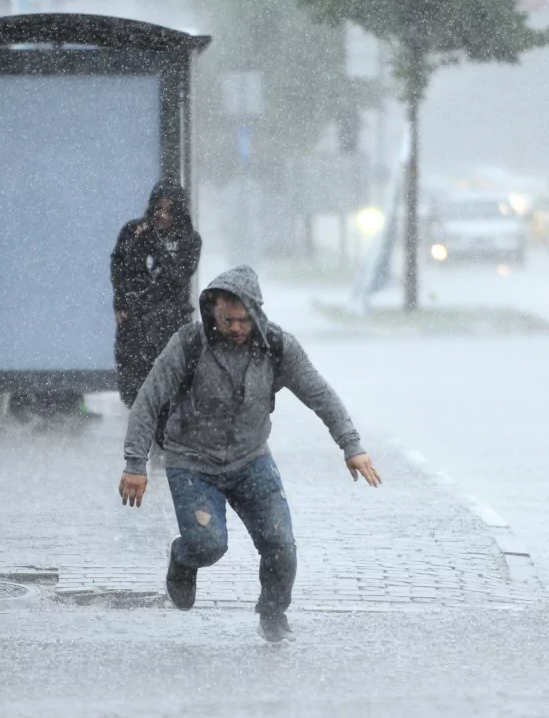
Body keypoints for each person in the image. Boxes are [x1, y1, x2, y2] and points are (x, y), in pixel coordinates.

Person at [117, 266, 382, 643]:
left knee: (281, 546)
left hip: (251, 459)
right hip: (192, 461)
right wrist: (134, 463)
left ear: (256, 312)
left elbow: (319, 394)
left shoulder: (276, 346)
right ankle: (183, 557)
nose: (236, 328)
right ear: (213, 311)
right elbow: (148, 399)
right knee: (209, 545)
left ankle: (273, 614)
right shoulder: (189, 343)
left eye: (243, 320)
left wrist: (351, 445)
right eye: (227, 320)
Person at [111, 181, 201, 409]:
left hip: (170, 323)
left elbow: (177, 278)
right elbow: (122, 269)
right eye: (157, 208)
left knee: (172, 391)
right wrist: (120, 302)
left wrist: (153, 241)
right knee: (135, 394)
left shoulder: (189, 240)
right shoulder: (133, 231)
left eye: (168, 210)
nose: (161, 215)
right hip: (136, 324)